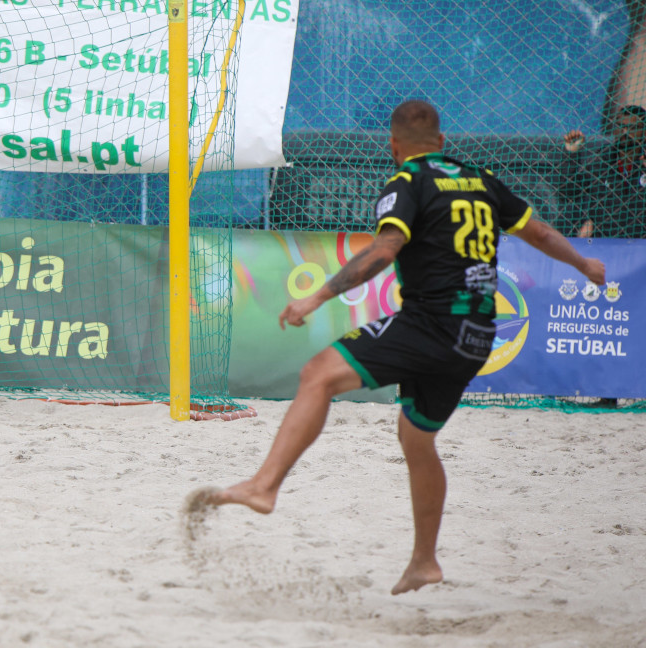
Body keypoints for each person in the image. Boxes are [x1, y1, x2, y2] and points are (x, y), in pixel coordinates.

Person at [187, 100, 606, 595]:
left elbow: (384, 251)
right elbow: (538, 232)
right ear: (443, 142)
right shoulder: (481, 178)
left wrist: (316, 296)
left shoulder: (408, 181)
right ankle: (425, 561)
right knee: (417, 439)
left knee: (318, 375)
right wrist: (583, 264)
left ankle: (263, 486)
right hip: (478, 334)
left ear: (393, 146)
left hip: (432, 322)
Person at [560, 104, 646, 239]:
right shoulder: (600, 161)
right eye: (620, 126)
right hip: (604, 245)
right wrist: (571, 154)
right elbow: (568, 191)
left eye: (632, 128)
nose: (624, 132)